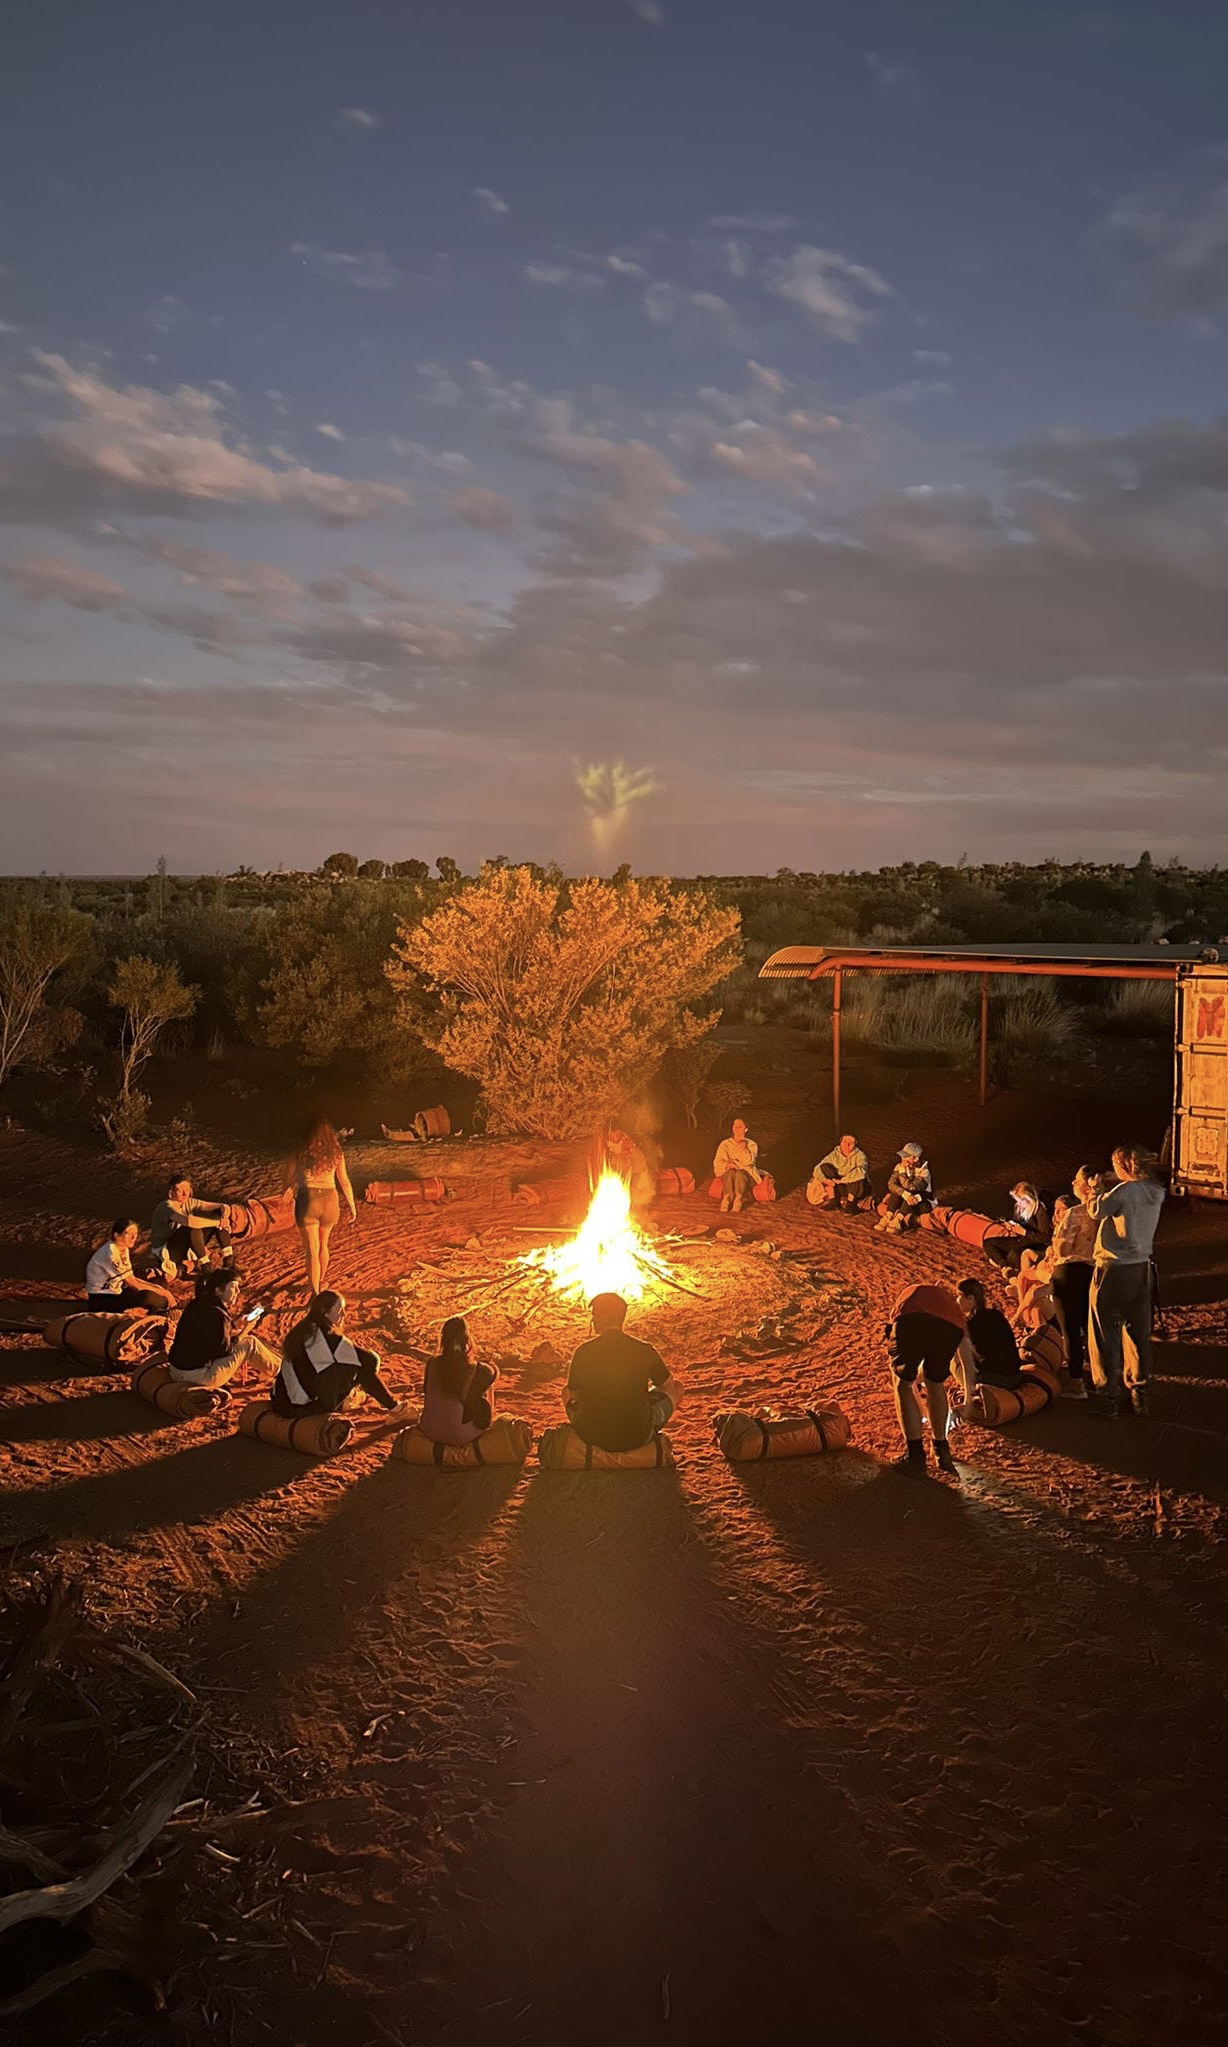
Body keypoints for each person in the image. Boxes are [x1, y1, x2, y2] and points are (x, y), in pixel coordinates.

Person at [1086, 1145, 1166, 1418]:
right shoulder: (1155, 1192)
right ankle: (1139, 1395)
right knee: (1138, 1334)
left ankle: (1107, 1397)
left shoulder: (1124, 1191)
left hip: (1112, 1268)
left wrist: (1095, 1188)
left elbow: (1096, 1211)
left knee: (1104, 1333)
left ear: (1123, 1166)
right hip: (1142, 1268)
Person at [565, 1292, 679, 1453]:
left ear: (604, 1318)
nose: (593, 1321)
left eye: (595, 1315)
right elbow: (668, 1385)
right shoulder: (643, 1349)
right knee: (678, 1388)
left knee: (566, 1392)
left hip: (591, 1435)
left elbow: (574, 1393)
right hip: (638, 1436)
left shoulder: (583, 1351)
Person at [270, 1292, 402, 1419]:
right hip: (302, 1408)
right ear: (325, 1312)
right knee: (362, 1367)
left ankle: (357, 1398)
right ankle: (396, 1408)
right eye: (340, 1310)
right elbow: (369, 1360)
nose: (344, 1314)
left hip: (281, 1402)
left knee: (340, 1365)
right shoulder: (328, 1336)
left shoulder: (302, 1329)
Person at [886, 1280, 964, 1474]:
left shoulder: (906, 1299)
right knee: (935, 1382)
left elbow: (897, 1328)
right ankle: (940, 1448)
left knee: (903, 1383)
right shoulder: (946, 1300)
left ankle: (914, 1456)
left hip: (911, 1319)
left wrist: (908, 1373)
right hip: (951, 1325)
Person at [167, 1267, 278, 1389]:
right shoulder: (217, 1313)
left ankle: (277, 1369)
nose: (238, 1291)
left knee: (237, 1334)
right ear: (218, 1290)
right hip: (197, 1378)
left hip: (176, 1372)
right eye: (233, 1287)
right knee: (249, 1343)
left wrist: (235, 1325)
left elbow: (210, 1335)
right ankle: (283, 1372)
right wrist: (246, 1329)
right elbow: (225, 1350)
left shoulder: (199, 1304)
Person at [291, 1119, 356, 1296]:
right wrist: (352, 1206)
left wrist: (290, 1190)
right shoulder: (337, 1153)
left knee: (312, 1249)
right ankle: (318, 1281)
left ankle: (315, 1289)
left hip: (309, 1199)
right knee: (323, 1245)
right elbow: (344, 1181)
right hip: (330, 1200)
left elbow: (291, 1178)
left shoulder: (302, 1152)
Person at [1046, 1174, 1097, 1398]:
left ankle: (1076, 1383)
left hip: (1068, 1272)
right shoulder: (1104, 1214)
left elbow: (1063, 1250)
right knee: (1092, 1329)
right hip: (1093, 1272)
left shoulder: (1074, 1214)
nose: (1073, 1183)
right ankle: (1100, 1376)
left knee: (1071, 1331)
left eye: (1076, 1181)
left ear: (1086, 1186)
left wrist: (1055, 1244)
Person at [419, 1315, 500, 1448]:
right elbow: (494, 1372)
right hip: (458, 1436)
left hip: (429, 1430)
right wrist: (488, 1364)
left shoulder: (432, 1363)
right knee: (487, 1386)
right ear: (466, 1339)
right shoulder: (475, 1369)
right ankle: (488, 1419)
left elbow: (427, 1391)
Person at [953, 1276, 1025, 1413]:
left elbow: (967, 1366)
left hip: (997, 1381)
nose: (957, 1301)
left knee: (955, 1359)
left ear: (971, 1299)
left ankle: (973, 1396)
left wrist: (967, 1402)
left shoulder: (970, 1325)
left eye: (959, 1296)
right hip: (1016, 1377)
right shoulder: (995, 1314)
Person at [85, 1219, 175, 1315]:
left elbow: (132, 1278)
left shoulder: (123, 1248)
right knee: (150, 1297)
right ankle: (156, 1312)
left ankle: (155, 1308)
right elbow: (134, 1285)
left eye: (135, 1234)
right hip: (103, 1299)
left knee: (159, 1281)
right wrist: (165, 1293)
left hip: (118, 1291)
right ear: (117, 1235)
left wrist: (159, 1289)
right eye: (129, 1234)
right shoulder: (111, 1254)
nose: (133, 1238)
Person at [151, 1174, 233, 1276]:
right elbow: (189, 1222)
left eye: (187, 1189)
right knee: (192, 1228)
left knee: (217, 1214)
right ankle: (206, 1266)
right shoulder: (166, 1207)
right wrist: (219, 1223)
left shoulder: (189, 1202)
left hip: (186, 1242)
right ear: (171, 1192)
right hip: (168, 1250)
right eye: (180, 1191)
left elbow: (223, 1206)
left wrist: (224, 1218)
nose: (185, 1194)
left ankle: (229, 1259)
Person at [984, 1182, 1051, 1274]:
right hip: (1021, 1239)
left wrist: (1025, 1233)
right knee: (988, 1243)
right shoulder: (1020, 1208)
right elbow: (1020, 1223)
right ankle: (1004, 1267)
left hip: (1035, 1243)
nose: (1018, 1204)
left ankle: (1008, 1268)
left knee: (1013, 1254)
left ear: (1029, 1198)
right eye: (1017, 1201)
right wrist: (1012, 1225)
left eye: (1020, 1201)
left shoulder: (1041, 1212)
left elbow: (1045, 1237)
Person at [875, 1143, 934, 1233]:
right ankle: (888, 1217)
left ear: (915, 1158)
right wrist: (904, 1194)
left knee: (911, 1194)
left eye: (906, 1156)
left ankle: (898, 1219)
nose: (902, 1159)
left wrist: (902, 1172)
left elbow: (911, 1187)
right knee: (896, 1191)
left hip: (921, 1202)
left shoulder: (924, 1172)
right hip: (906, 1199)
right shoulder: (900, 1166)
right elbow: (891, 1184)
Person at [713, 1118, 760, 1214]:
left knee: (740, 1173)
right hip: (729, 1175)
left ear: (746, 1129)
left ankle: (738, 1199)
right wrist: (728, 1164)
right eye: (735, 1125)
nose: (737, 1127)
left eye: (740, 1126)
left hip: (746, 1175)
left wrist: (744, 1149)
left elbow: (749, 1163)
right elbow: (717, 1162)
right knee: (730, 1172)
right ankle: (727, 1198)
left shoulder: (752, 1144)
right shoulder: (725, 1144)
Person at [812, 1134, 871, 1211]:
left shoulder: (860, 1156)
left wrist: (843, 1180)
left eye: (851, 1143)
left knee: (856, 1174)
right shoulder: (835, 1154)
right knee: (825, 1167)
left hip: (858, 1188)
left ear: (855, 1143)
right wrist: (825, 1180)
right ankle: (833, 1201)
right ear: (840, 1142)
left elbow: (862, 1172)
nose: (847, 1145)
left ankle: (851, 1204)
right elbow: (817, 1168)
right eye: (845, 1142)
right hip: (840, 1185)